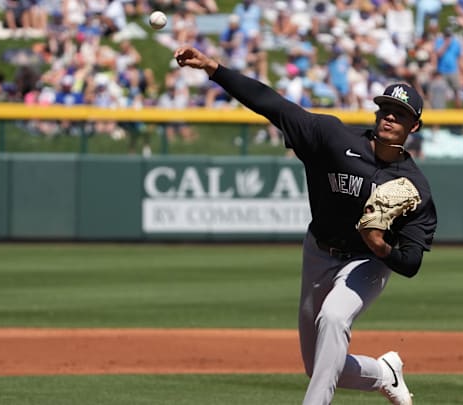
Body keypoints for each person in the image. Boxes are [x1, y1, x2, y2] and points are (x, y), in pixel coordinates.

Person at [174, 45, 438, 405]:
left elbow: (411, 263)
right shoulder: (332, 138)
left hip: (366, 263)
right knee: (318, 366)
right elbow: (272, 104)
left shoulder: (414, 187)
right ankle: (384, 373)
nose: (390, 118)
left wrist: (380, 247)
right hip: (318, 252)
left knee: (333, 317)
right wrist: (214, 69)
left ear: (414, 126)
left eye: (401, 115)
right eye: (386, 110)